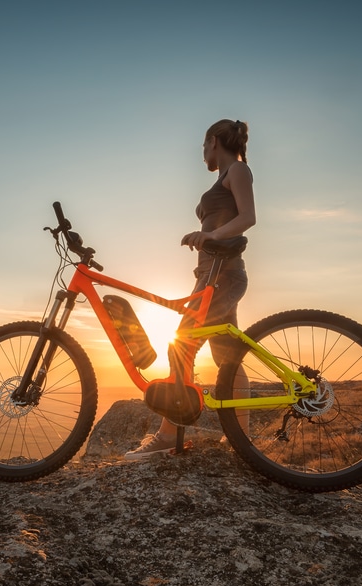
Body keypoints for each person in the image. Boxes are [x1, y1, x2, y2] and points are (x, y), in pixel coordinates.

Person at [125, 118, 256, 460]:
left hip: (223, 275)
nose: (202, 154)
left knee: (181, 344)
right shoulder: (222, 177)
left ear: (214, 141)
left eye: (202, 146)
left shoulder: (237, 172)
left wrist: (211, 236)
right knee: (227, 357)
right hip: (211, 275)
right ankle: (241, 439)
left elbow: (248, 217)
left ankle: (168, 435)